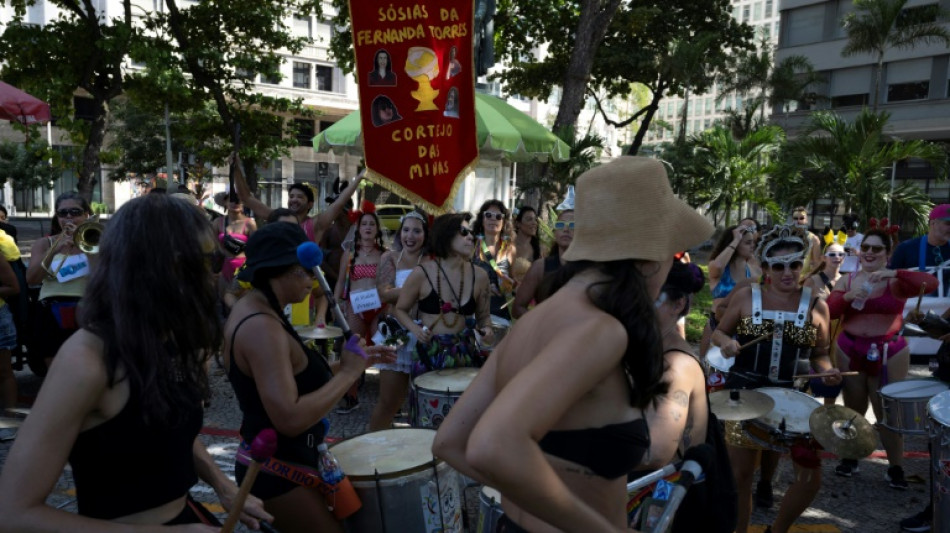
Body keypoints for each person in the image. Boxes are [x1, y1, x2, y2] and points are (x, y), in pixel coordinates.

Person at [432, 156, 714, 532]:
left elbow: (451, 442)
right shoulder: (601, 330)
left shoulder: (536, 320)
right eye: (669, 249)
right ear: (648, 253)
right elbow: (491, 445)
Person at [0, 194, 273, 531]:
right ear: (159, 266)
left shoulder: (169, 338)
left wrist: (225, 486)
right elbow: (14, 513)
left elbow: (169, 430)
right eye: (207, 261)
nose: (214, 274)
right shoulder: (86, 359)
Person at [223, 222, 395, 533]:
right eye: (305, 272)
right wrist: (348, 374)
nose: (313, 282)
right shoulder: (261, 326)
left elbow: (292, 377)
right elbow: (288, 417)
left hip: (290, 460)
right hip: (279, 471)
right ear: (279, 271)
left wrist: (349, 363)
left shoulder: (261, 310)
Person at [712, 224, 840, 533]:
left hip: (793, 398)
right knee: (739, 475)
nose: (787, 272)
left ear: (803, 265)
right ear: (765, 267)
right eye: (778, 265)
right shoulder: (746, 296)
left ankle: (778, 530)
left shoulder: (816, 305)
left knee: (810, 478)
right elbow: (719, 331)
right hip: (744, 393)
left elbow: (821, 353)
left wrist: (826, 370)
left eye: (795, 264)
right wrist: (725, 343)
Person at [826, 227, 937, 486]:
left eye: (877, 249)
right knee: (854, 405)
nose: (869, 253)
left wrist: (894, 272)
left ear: (888, 253)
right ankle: (850, 456)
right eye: (865, 248)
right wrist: (848, 296)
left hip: (889, 350)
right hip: (850, 347)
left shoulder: (896, 282)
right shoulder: (847, 279)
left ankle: (896, 466)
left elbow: (931, 284)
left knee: (886, 410)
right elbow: (830, 311)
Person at [627, 261, 712, 531]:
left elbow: (656, 452)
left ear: (678, 305)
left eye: (650, 299)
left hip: (657, 497)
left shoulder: (676, 366)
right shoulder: (647, 350)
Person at [394, 213, 494, 377]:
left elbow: (484, 316)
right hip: (430, 353)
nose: (470, 237)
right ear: (446, 235)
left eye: (470, 232)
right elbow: (400, 309)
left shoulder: (481, 276)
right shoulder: (422, 273)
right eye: (463, 232)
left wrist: (487, 329)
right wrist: (415, 329)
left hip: (465, 354)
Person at [368, 211, 431, 431]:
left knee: (423, 402)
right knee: (389, 402)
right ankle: (373, 450)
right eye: (406, 230)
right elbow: (384, 294)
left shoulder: (432, 260)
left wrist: (403, 291)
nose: (410, 236)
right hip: (396, 334)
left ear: (425, 234)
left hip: (425, 335)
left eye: (416, 231)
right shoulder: (390, 258)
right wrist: (419, 289)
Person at [25, 192, 96, 374]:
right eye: (63, 213)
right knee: (58, 372)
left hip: (88, 309)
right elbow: (32, 279)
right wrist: (55, 249)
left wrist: (85, 247)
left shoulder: (95, 241)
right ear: (57, 217)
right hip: (51, 311)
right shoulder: (44, 243)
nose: (69, 217)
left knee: (89, 369)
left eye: (75, 212)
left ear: (86, 215)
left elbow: (106, 275)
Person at [231, 153, 362, 245]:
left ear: (310, 204)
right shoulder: (278, 218)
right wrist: (236, 169)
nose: (294, 200)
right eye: (291, 196)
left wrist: (359, 178)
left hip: (305, 280)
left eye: (300, 197)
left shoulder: (316, 224)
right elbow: (246, 198)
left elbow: (339, 204)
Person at [333, 203, 386, 413]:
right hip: (354, 307)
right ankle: (350, 395)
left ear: (377, 229)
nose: (368, 227)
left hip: (379, 308)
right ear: (358, 228)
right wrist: (335, 303)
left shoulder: (385, 254)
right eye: (364, 224)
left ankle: (389, 396)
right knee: (353, 351)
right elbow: (339, 281)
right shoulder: (349, 255)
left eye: (372, 224)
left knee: (384, 351)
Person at [700, 225, 759, 360]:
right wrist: (735, 240)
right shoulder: (720, 268)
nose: (752, 246)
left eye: (753, 242)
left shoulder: (754, 270)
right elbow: (718, 265)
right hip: (717, 327)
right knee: (709, 372)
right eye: (747, 242)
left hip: (741, 330)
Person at [511, 208, 573, 319]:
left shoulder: (591, 269)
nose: (566, 229)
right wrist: (540, 324)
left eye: (572, 225)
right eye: (560, 225)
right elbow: (517, 308)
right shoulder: (540, 267)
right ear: (555, 232)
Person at [472, 200, 514, 321]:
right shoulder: (472, 245)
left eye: (498, 216)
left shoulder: (510, 249)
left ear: (503, 221)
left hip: (502, 314)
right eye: (488, 215)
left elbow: (514, 281)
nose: (493, 219)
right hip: (475, 314)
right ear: (482, 219)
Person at [216, 193, 257, 293]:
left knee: (239, 303)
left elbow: (256, 249)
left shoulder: (250, 223)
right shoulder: (218, 222)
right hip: (224, 268)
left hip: (243, 269)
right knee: (223, 302)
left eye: (238, 200)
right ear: (225, 203)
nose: (235, 203)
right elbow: (213, 245)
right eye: (232, 200)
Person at [510, 205, 541, 285]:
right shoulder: (508, 246)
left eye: (535, 219)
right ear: (518, 224)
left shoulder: (540, 249)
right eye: (529, 219)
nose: (534, 223)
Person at [791, 206, 824, 274]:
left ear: (806, 220)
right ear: (792, 220)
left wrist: (807, 278)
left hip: (803, 280)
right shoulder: (785, 237)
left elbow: (817, 263)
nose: (798, 221)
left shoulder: (813, 239)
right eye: (795, 218)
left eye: (801, 218)